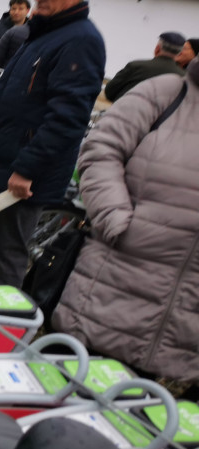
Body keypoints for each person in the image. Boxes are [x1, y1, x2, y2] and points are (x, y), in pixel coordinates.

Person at [52, 58, 199, 385]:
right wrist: (117, 222)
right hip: (114, 285)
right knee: (66, 397)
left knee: (138, 425)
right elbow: (102, 150)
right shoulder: (165, 93)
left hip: (186, 326)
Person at [0, 0, 106, 288]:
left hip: (26, 172)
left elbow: (68, 117)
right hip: (10, 158)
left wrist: (28, 168)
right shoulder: (46, 32)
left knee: (5, 254)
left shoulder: (80, 40)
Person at [102, 32, 186, 102]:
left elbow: (109, 91)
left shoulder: (136, 66)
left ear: (157, 49)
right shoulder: (183, 77)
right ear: (179, 53)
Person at [0, 20, 30, 86]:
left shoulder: (14, 31)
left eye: (20, 9)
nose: (16, 12)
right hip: (15, 83)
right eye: (14, 9)